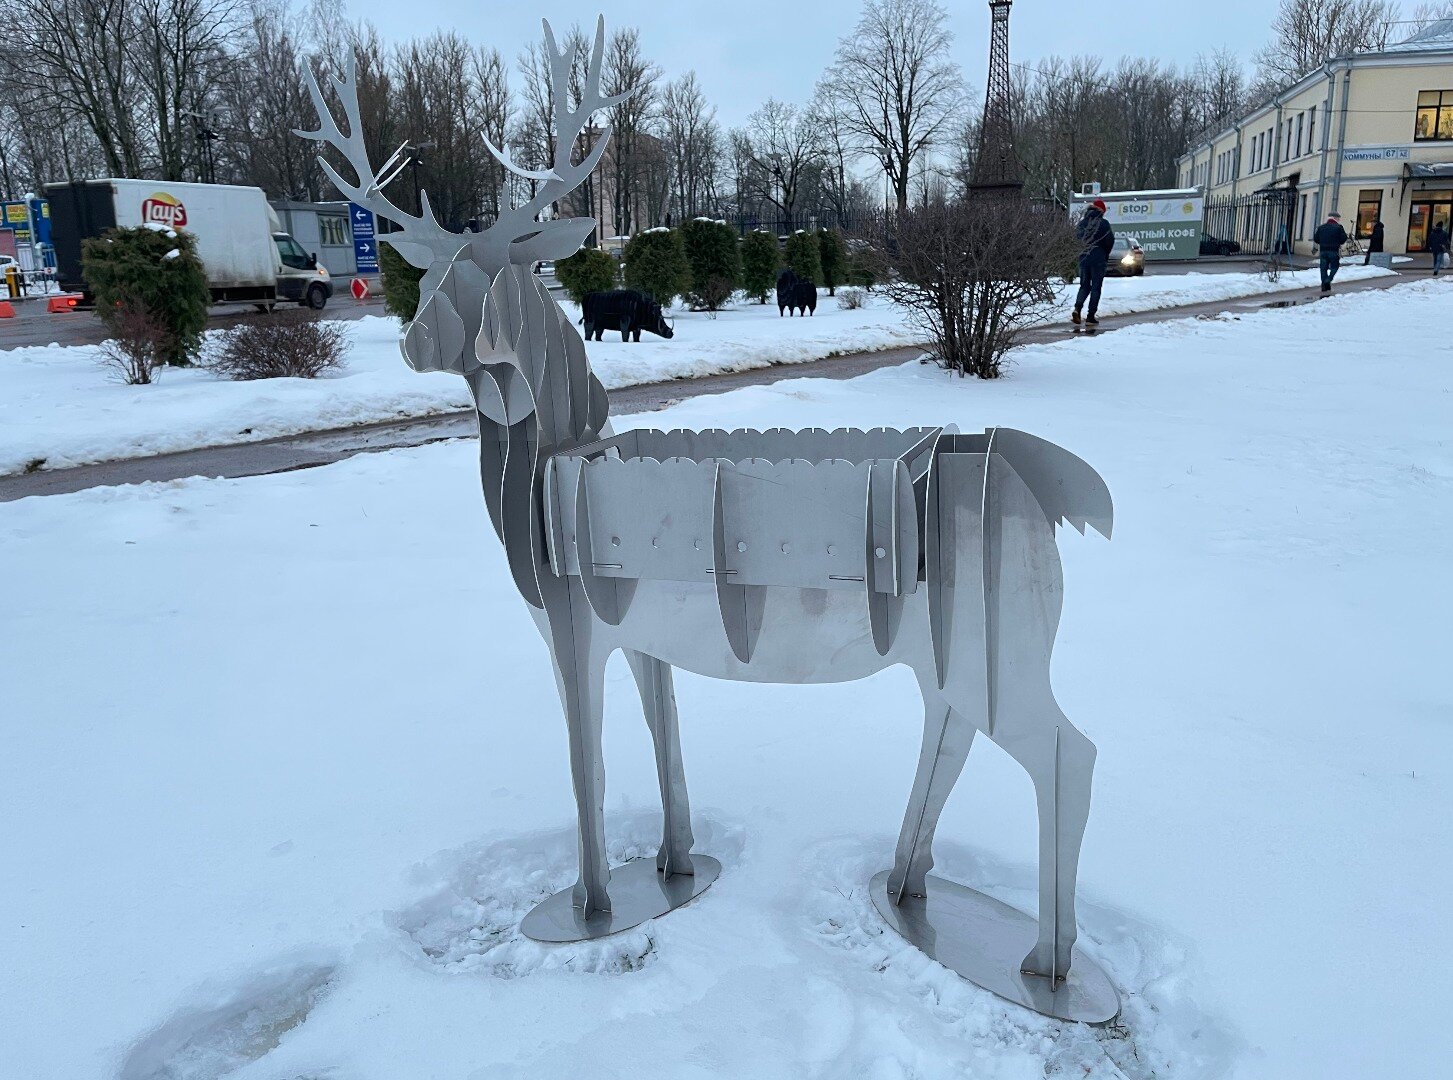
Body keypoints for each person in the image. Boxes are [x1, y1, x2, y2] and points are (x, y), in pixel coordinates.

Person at [1072, 198, 1114, 326]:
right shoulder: (1104, 224)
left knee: (1084, 286)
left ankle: (1077, 309)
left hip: (1083, 258)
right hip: (1098, 259)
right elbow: (1109, 241)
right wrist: (1104, 254)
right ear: (1101, 210)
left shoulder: (1082, 223)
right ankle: (1090, 316)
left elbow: (1076, 240)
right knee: (1096, 287)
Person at [1311, 212, 1348, 294]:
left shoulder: (1321, 227)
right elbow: (1343, 239)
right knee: (1335, 266)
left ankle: (1324, 285)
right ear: (1335, 218)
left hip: (1323, 251)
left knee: (1323, 268)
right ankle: (1328, 280)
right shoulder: (1339, 227)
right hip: (1334, 251)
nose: (1339, 220)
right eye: (1338, 218)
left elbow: (1316, 239)